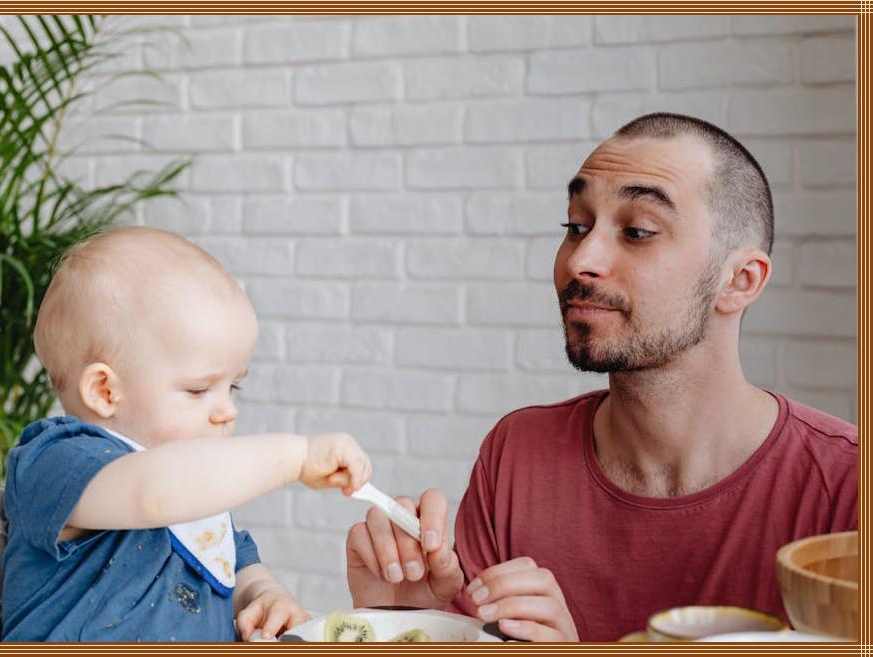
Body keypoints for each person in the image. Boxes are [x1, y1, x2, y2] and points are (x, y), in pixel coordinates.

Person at [345, 113, 857, 642]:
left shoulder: (847, 483)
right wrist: (406, 624)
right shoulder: (517, 453)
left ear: (740, 281)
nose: (581, 260)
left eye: (637, 232)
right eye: (576, 227)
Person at [1, 226, 373, 642]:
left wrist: (263, 593)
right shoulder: (56, 461)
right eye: (198, 390)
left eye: (233, 387)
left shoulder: (195, 496)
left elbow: (233, 566)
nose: (228, 410)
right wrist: (295, 457)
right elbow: (154, 492)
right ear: (105, 391)